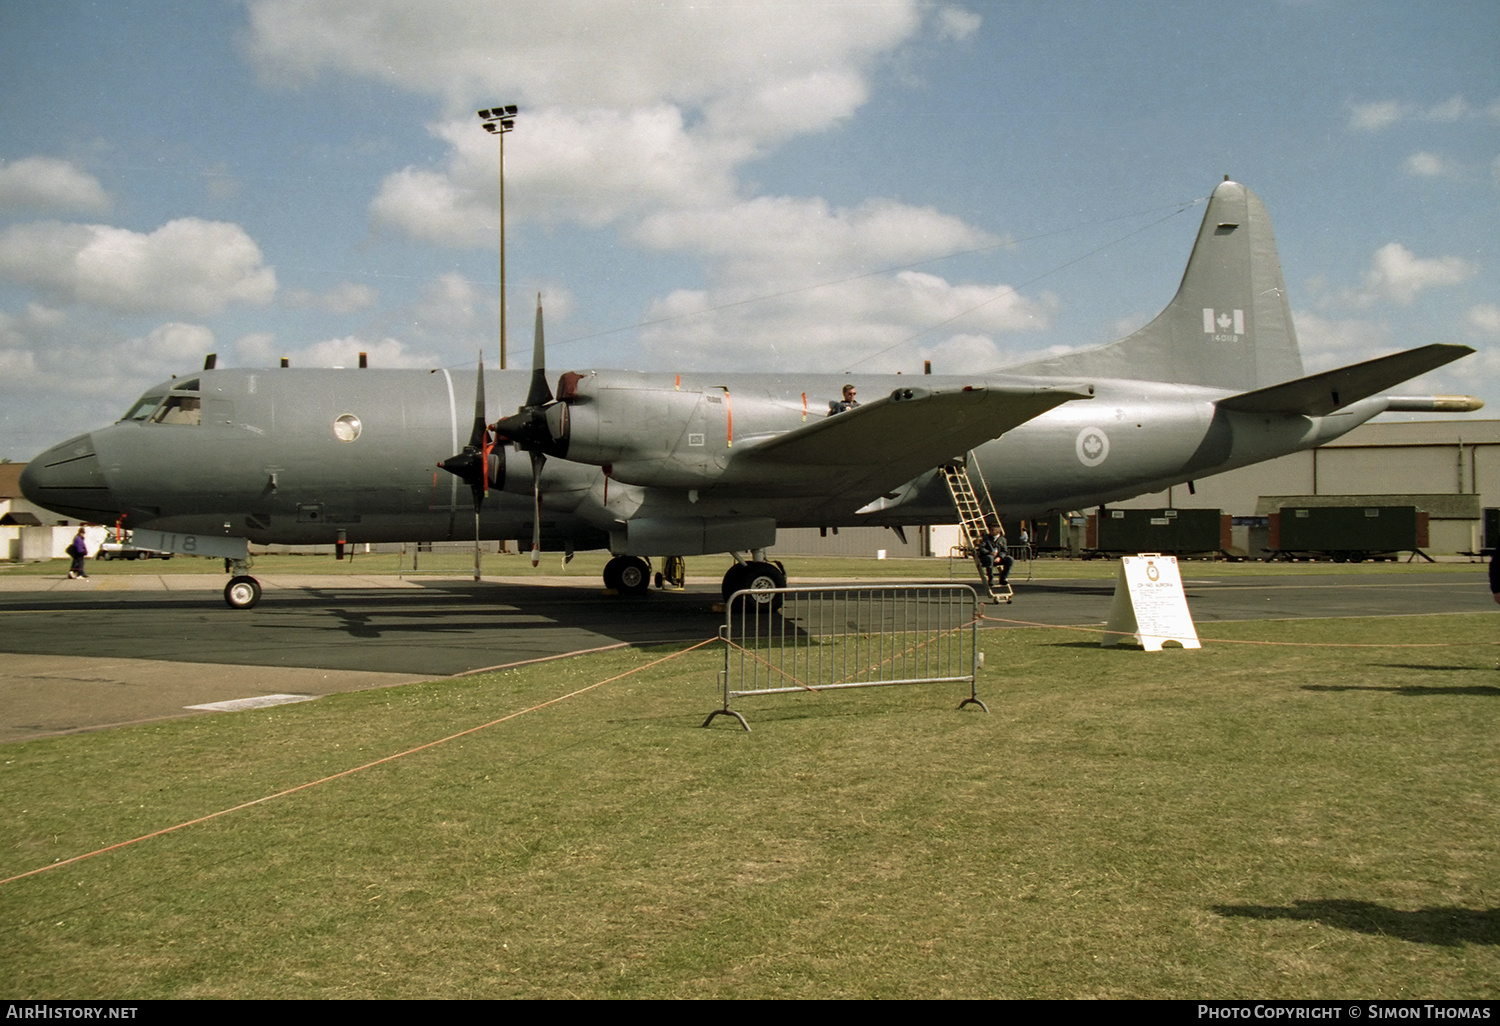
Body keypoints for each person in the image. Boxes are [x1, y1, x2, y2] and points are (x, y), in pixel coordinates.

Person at [975, 522, 1013, 591]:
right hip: (987, 557)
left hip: (998, 558)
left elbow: (1004, 551)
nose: (991, 531)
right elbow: (981, 547)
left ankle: (1003, 578)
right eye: (991, 530)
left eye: (993, 530)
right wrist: (989, 553)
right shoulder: (986, 538)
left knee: (1010, 559)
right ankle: (991, 578)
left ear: (998, 532)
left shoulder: (1002, 540)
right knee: (990, 558)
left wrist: (1000, 557)